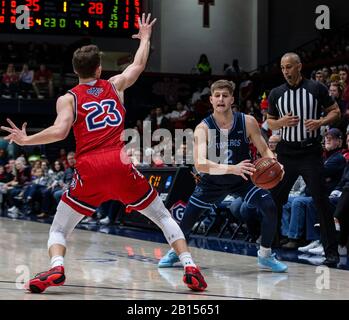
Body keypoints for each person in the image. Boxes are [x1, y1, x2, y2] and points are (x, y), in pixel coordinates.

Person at [1, 13, 206, 293]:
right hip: (119, 162)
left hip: (90, 168)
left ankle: (57, 266)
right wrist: (145, 37)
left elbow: (60, 131)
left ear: (76, 71)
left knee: (59, 229)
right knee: (162, 216)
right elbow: (138, 64)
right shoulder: (114, 85)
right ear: (99, 69)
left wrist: (26, 140)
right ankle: (190, 265)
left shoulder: (68, 98)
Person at [158, 79, 288, 273]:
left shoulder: (247, 121)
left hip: (243, 178)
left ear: (232, 99)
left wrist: (274, 163)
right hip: (213, 182)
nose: (221, 99)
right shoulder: (203, 128)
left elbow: (264, 149)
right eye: (217, 96)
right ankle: (176, 252)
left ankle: (266, 255)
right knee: (186, 222)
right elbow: (200, 163)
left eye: (225, 96)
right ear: (211, 100)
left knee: (269, 207)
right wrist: (231, 168)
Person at [267, 52, 341, 266]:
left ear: (299, 66)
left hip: (310, 153)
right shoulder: (276, 93)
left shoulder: (316, 88)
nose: (285, 71)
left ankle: (331, 252)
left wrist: (320, 122)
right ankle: (270, 248)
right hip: (287, 153)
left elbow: (335, 111)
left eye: (289, 67)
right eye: (282, 67)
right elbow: (270, 123)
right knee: (274, 200)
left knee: (321, 201)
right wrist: (281, 122)